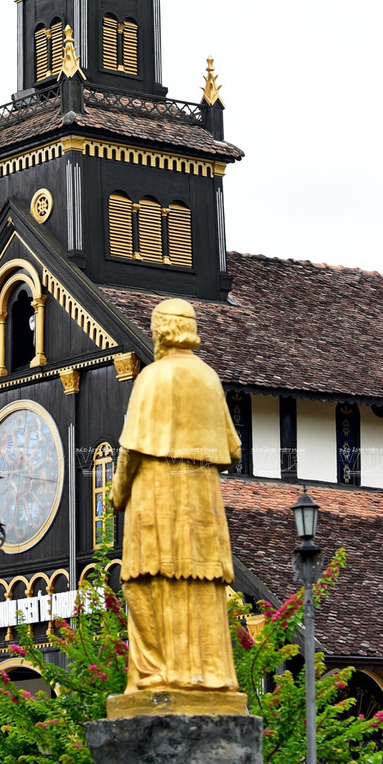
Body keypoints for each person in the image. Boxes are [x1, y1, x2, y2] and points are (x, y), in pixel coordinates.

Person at [111, 297, 242, 696]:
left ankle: (156, 674)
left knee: (141, 582)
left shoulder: (153, 376)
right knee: (201, 583)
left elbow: (132, 447)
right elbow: (232, 448)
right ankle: (209, 673)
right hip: (201, 497)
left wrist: (117, 492)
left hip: (156, 493)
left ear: (162, 331)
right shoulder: (208, 378)